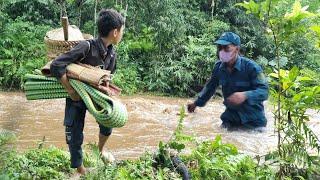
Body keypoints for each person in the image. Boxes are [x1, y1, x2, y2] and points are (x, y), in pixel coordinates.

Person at [50, 9, 125, 175]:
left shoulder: (112, 54)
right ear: (115, 32)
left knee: (108, 119)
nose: (121, 34)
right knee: (74, 131)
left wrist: (108, 93)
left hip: (96, 94)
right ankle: (80, 169)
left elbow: (108, 77)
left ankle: (100, 149)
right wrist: (70, 90)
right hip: (76, 95)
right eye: (122, 31)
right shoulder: (86, 46)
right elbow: (57, 65)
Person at [187, 32, 268, 131]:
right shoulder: (218, 68)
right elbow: (210, 88)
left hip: (254, 122)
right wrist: (196, 103)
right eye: (220, 48)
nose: (222, 51)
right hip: (230, 119)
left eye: (226, 48)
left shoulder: (251, 67)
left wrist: (245, 95)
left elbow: (264, 91)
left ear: (237, 49)